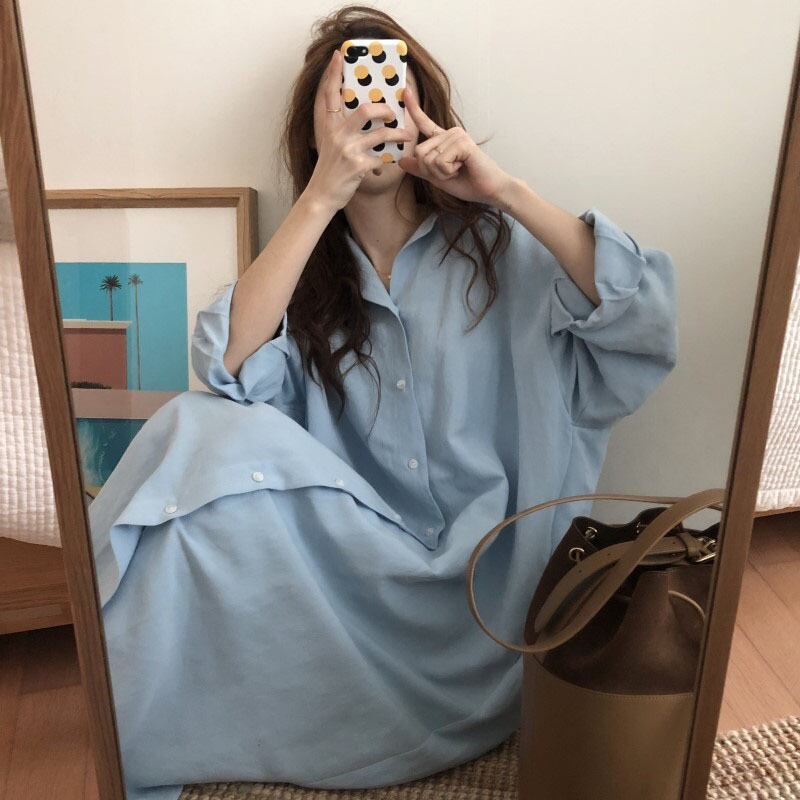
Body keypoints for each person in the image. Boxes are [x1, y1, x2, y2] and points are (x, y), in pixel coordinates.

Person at [88, 7, 678, 800]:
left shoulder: (507, 253)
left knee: (188, 434)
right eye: (347, 101)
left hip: (493, 609)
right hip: (354, 590)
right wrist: (317, 199)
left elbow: (646, 322)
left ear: (425, 111)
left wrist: (503, 188)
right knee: (189, 429)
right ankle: (117, 703)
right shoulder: (304, 281)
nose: (372, 114)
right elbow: (223, 375)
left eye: (389, 93)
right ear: (315, 133)